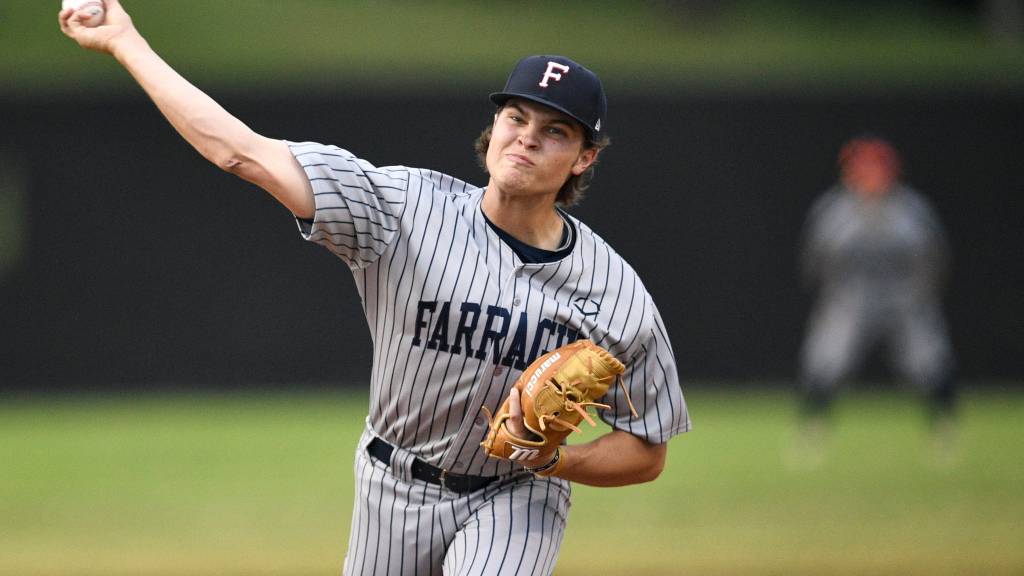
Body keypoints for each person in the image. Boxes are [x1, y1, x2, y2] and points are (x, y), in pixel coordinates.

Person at [60, 2, 691, 574]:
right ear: (493, 126)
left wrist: (558, 461)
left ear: (584, 157)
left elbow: (646, 450)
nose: (526, 135)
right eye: (516, 117)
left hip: (517, 494)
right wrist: (127, 43)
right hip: (391, 483)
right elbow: (240, 153)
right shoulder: (401, 209)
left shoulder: (614, 293)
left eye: (555, 130)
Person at [796, 135, 957, 456]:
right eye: (861, 168)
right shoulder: (835, 211)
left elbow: (933, 257)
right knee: (827, 357)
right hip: (850, 296)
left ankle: (945, 428)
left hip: (904, 297)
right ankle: (812, 429)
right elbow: (815, 257)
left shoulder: (911, 210)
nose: (868, 175)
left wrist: (921, 294)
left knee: (928, 357)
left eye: (874, 167)